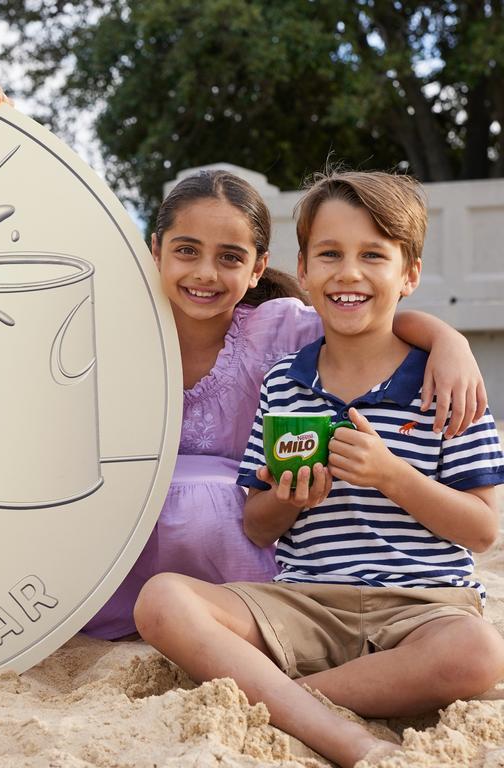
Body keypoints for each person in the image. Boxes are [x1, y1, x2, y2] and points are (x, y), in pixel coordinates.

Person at [0, 77, 489, 641]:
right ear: (153, 249)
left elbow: (361, 318)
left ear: (258, 269)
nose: (206, 274)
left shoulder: (277, 330)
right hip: (117, 551)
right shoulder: (107, 325)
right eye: (186, 251)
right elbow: (55, 233)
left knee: (208, 488)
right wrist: (13, 124)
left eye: (230, 258)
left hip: (236, 553)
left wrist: (446, 341)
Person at [133, 170, 504, 767]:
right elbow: (257, 526)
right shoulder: (286, 381)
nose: (348, 273)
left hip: (422, 606)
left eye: (372, 256)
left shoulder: (445, 387)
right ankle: (336, 725)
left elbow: (483, 531)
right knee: (161, 601)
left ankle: (290, 705)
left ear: (408, 275)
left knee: (479, 653)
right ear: (302, 271)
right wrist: (290, 497)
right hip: (304, 604)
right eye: (330, 254)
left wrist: (393, 477)